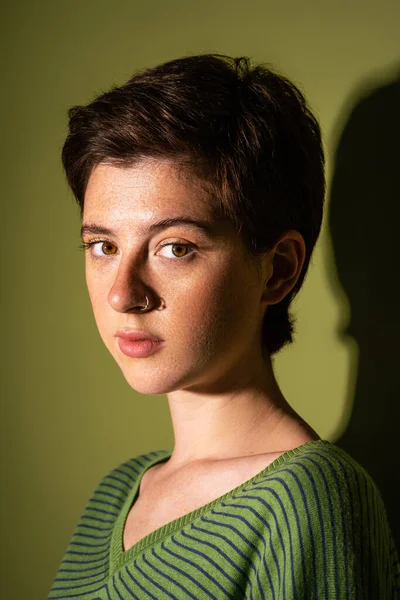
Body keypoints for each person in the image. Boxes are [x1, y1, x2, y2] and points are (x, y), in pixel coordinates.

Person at [47, 54, 400, 599]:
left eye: (175, 247)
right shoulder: (115, 495)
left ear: (277, 269)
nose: (122, 292)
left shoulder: (313, 499)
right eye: (103, 245)